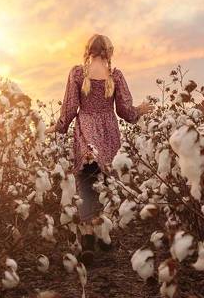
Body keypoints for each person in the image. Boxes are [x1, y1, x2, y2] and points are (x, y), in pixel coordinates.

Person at [55, 34, 154, 263]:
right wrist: (140, 109)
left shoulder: (78, 73)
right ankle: (104, 237)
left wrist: (58, 127)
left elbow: (70, 108)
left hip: (86, 134)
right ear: (108, 52)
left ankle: (89, 239)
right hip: (109, 135)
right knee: (106, 183)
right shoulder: (115, 76)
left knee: (87, 185)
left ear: (87, 50)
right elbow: (126, 112)